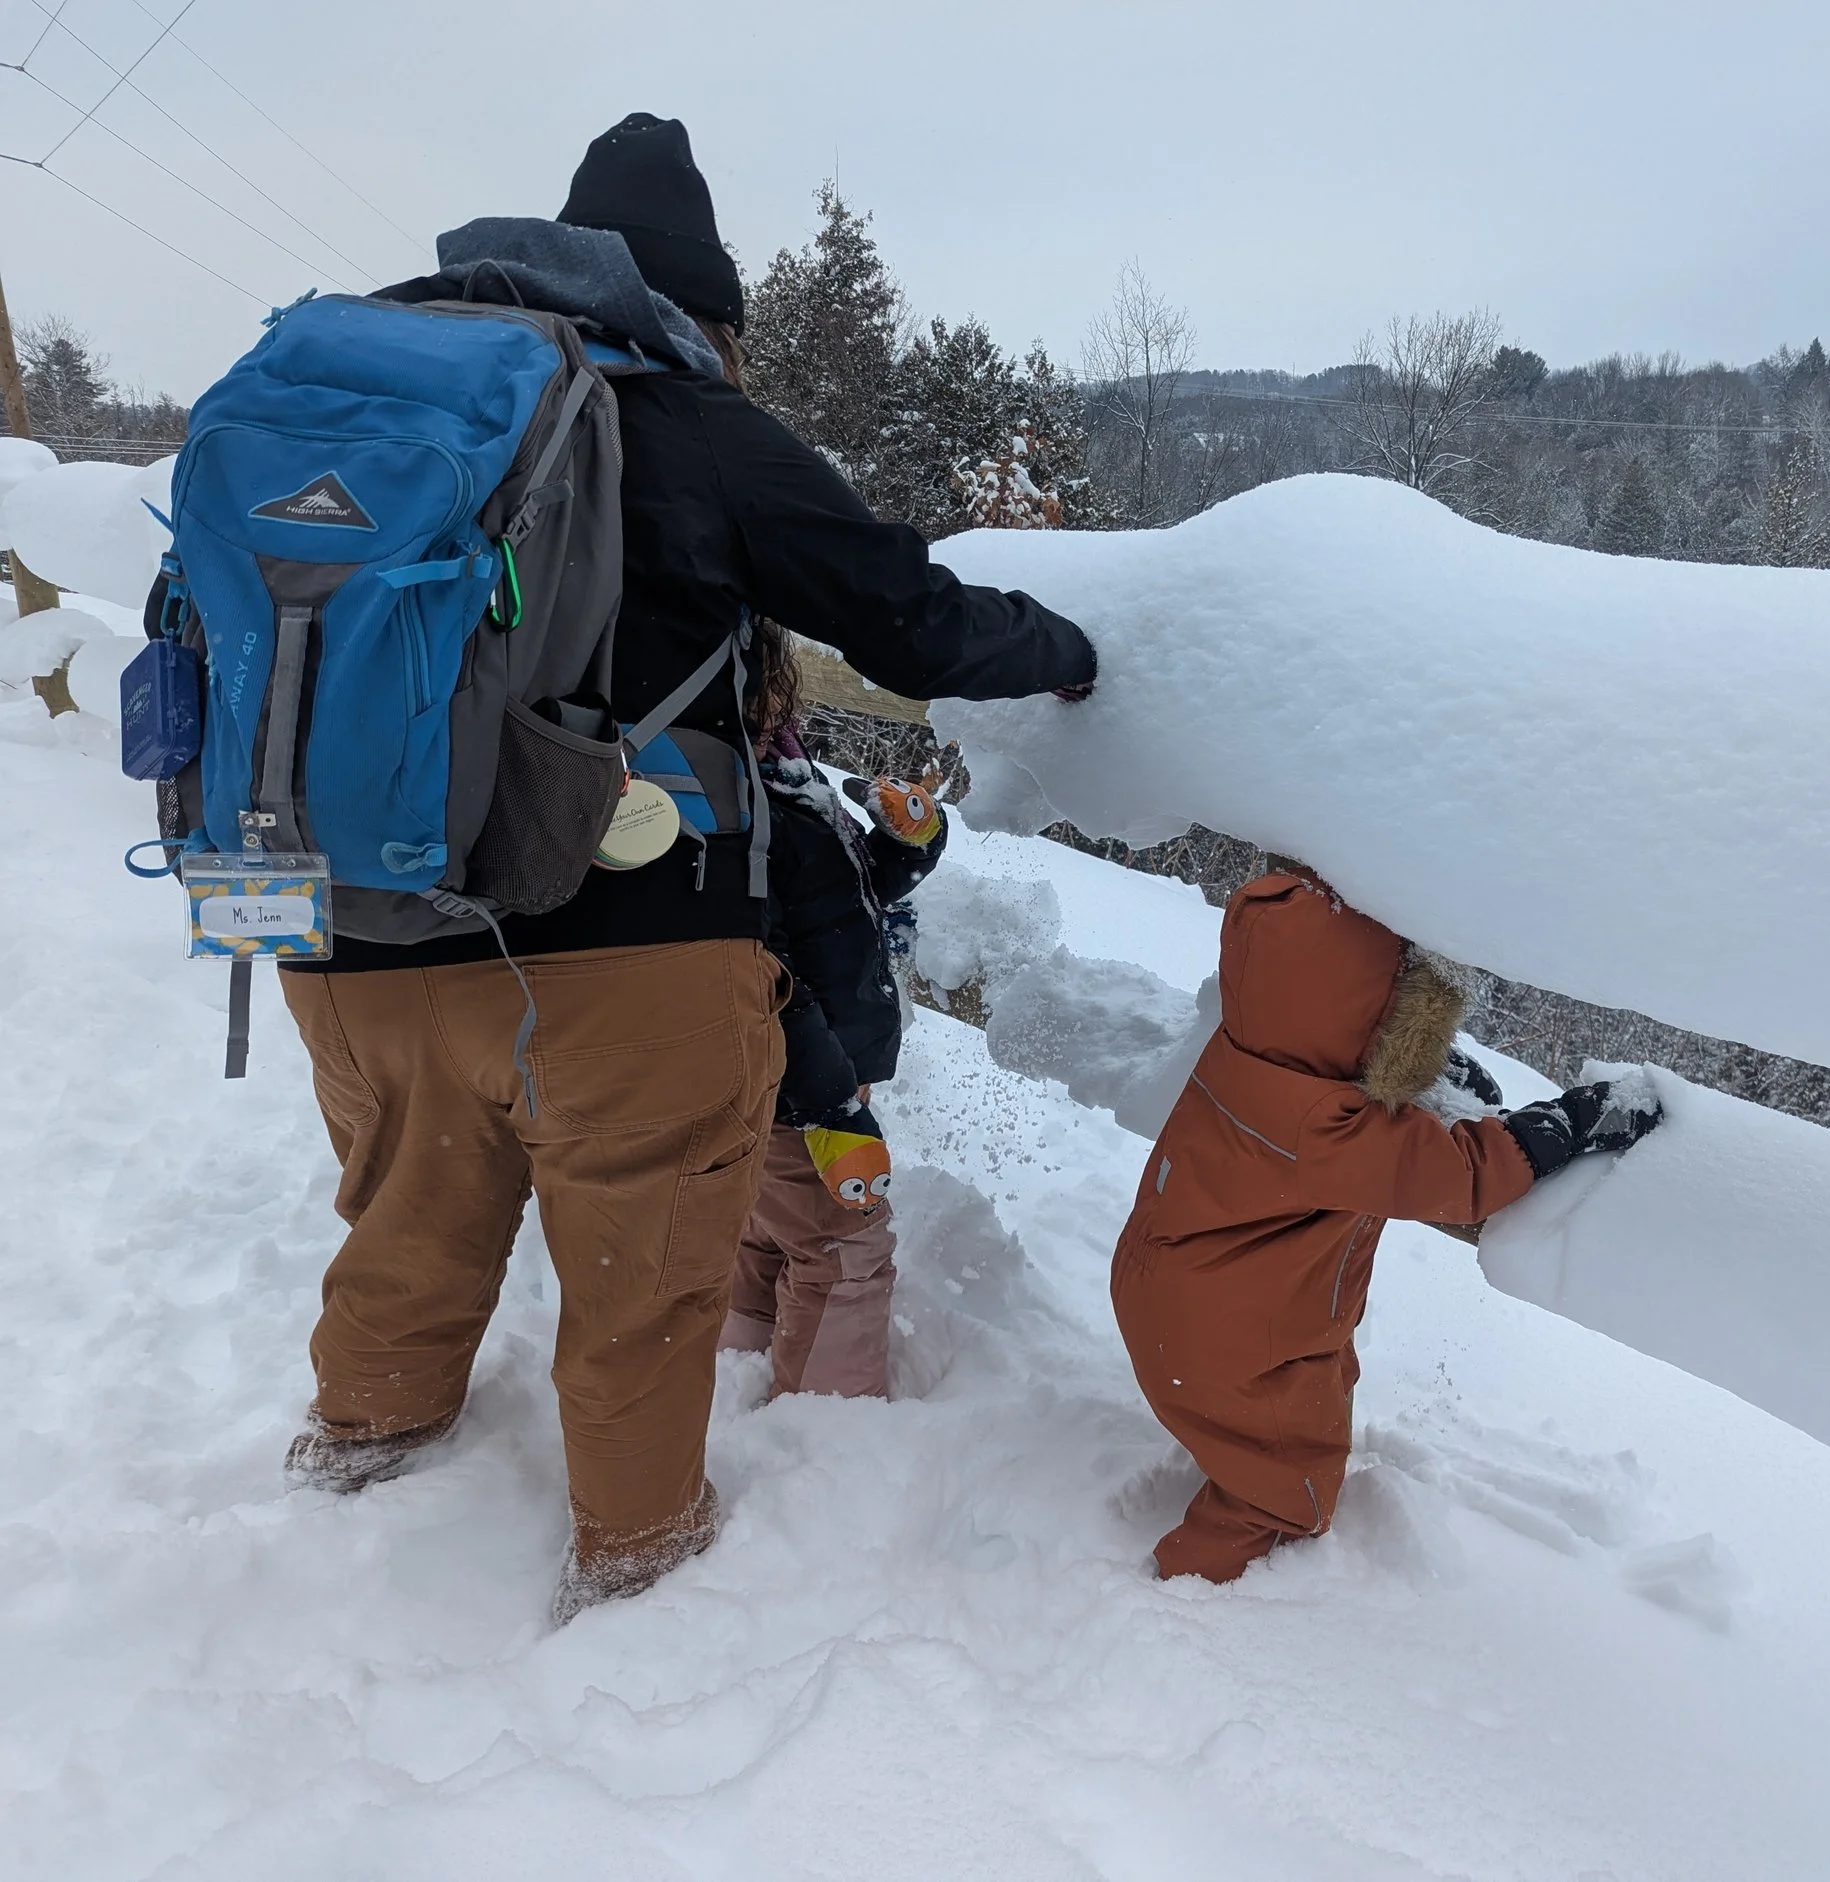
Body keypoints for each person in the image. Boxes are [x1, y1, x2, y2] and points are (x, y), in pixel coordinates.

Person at [275, 113, 1097, 1623]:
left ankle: (343, 1499)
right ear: (698, 313)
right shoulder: (681, 416)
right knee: (642, 1283)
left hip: (350, 930)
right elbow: (905, 617)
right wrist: (1070, 649)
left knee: (406, 1222)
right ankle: (637, 1590)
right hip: (620, 955)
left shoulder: (349, 403)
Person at [1111, 865, 1662, 1583]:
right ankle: (1184, 1596)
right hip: (1223, 1338)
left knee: (1308, 1381)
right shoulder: (1324, 1131)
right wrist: (1569, 1122)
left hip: (1184, 1296)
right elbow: (1462, 1176)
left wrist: (1429, 1077)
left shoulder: (1248, 1056)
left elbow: (1347, 1097)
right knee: (1287, 1482)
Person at [722, 686, 948, 1400]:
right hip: (801, 1079)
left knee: (766, 1226)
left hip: (809, 1071)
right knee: (844, 1244)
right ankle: (829, 1425)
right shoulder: (735, 796)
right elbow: (765, 973)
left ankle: (734, 1365)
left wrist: (909, 841)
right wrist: (830, 1106)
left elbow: (850, 894)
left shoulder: (786, 774)